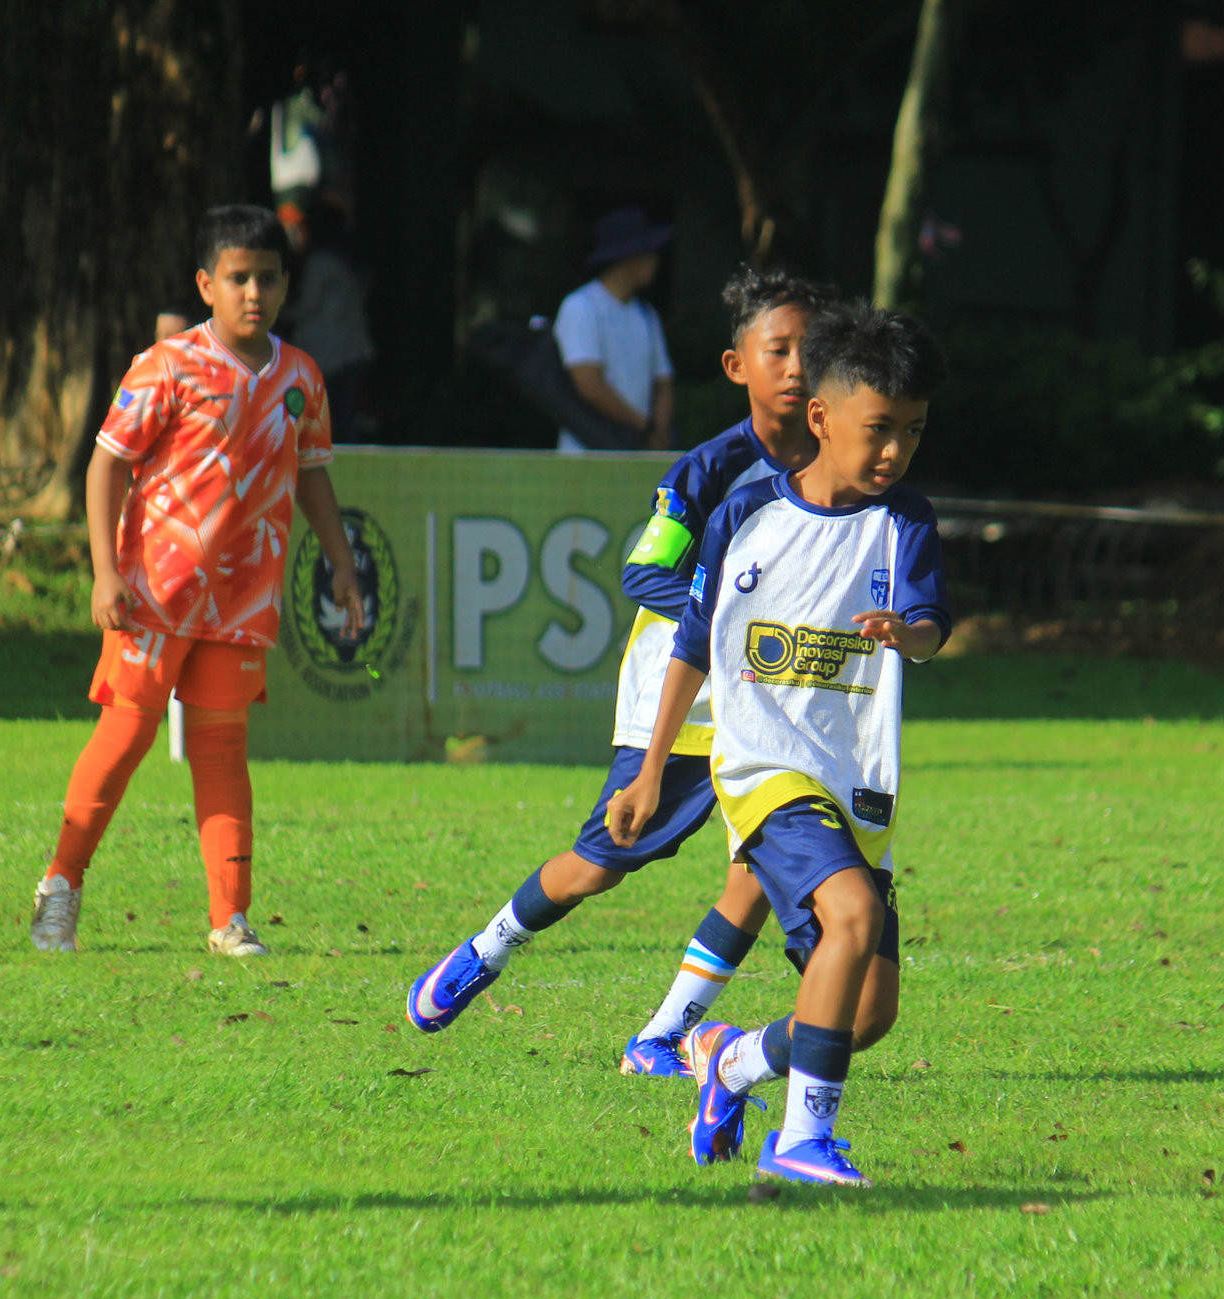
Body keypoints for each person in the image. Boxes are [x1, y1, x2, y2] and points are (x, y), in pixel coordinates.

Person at [404, 268, 828, 1071]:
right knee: (598, 865)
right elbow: (643, 573)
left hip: (769, 699)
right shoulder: (707, 471)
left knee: (753, 874)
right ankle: (486, 948)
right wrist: (737, 609)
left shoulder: (833, 463)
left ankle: (659, 1035)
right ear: (738, 365)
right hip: (681, 695)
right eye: (780, 349)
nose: (798, 364)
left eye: (812, 347)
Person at [608, 304, 949, 1187]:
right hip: (761, 768)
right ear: (825, 419)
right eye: (879, 430)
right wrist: (650, 770)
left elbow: (927, 625)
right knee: (852, 918)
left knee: (867, 1011)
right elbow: (692, 646)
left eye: (911, 433)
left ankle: (730, 1060)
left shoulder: (904, 521)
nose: (894, 453)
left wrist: (904, 636)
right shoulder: (746, 512)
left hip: (857, 784)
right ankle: (802, 1140)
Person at [29, 204, 365, 958]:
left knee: (221, 751)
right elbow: (107, 463)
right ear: (205, 284)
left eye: (269, 279)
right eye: (239, 278)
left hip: (244, 599)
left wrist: (341, 564)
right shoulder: (167, 367)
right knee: (125, 737)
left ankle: (229, 919)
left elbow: (312, 479)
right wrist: (105, 572)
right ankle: (61, 884)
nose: (255, 293)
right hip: (154, 591)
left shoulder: (302, 378)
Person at [554, 207, 675, 453]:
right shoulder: (581, 307)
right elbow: (589, 385)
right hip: (584, 453)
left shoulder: (646, 314)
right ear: (629, 258)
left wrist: (658, 433)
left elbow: (663, 381)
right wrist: (645, 427)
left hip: (635, 452)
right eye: (649, 253)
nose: (656, 261)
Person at [285, 200, 375, 441]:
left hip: (329, 353)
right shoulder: (351, 260)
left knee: (328, 413)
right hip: (353, 348)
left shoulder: (320, 263)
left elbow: (307, 308)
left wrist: (278, 314)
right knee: (345, 412)